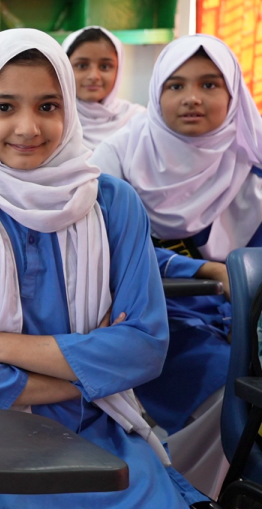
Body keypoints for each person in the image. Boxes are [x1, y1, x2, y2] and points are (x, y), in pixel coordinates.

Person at [0, 28, 205, 508]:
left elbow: (144, 348)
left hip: (97, 425)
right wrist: (79, 377)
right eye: (3, 107)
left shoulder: (112, 203)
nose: (27, 128)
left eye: (47, 106)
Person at [91, 34, 260, 496]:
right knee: (234, 385)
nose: (191, 98)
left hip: (243, 320)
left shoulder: (253, 161)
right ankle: (193, 490)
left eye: (209, 85)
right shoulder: (117, 158)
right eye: (176, 85)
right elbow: (106, 248)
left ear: (233, 94)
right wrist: (204, 272)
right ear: (156, 92)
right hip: (151, 323)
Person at [63, 26, 145, 150]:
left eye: (105, 67)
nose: (94, 76)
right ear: (64, 68)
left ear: (119, 69)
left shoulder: (138, 121)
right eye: (82, 65)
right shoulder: (55, 120)